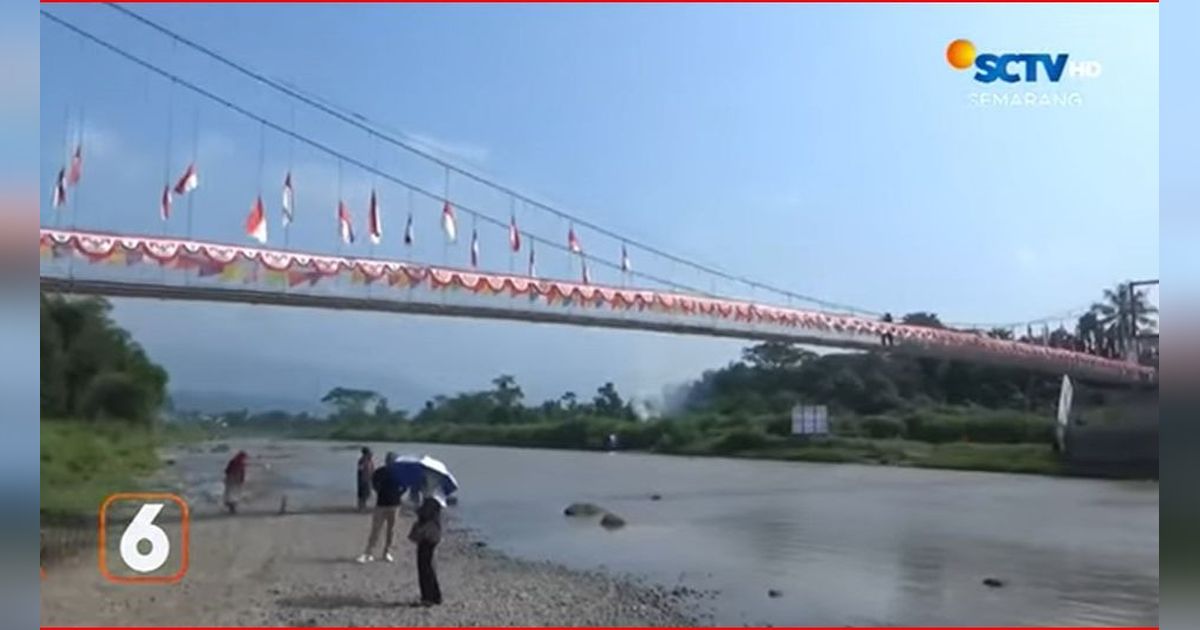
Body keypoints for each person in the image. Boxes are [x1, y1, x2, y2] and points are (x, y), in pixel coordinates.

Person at [357, 452, 403, 564]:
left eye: (393, 460)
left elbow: (405, 486)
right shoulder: (379, 472)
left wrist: (399, 493)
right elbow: (374, 484)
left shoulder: (400, 473)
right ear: (386, 461)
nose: (391, 462)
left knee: (391, 531)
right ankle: (368, 553)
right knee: (376, 530)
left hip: (395, 505)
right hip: (381, 505)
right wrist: (381, 492)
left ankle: (387, 552)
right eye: (389, 460)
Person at [408, 496, 443, 606]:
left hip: (427, 538)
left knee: (425, 567)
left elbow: (425, 515)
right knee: (429, 567)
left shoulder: (431, 500)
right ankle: (435, 596)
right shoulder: (436, 500)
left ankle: (428, 597)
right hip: (433, 536)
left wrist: (419, 511)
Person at [356, 447, 375, 512]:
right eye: (370, 453)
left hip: (368, 479)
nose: (371, 454)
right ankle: (361, 507)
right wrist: (361, 480)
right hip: (363, 480)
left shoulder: (370, 461)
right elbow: (360, 471)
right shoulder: (361, 461)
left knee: (367, 494)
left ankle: (363, 506)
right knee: (362, 494)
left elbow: (372, 470)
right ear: (365, 454)